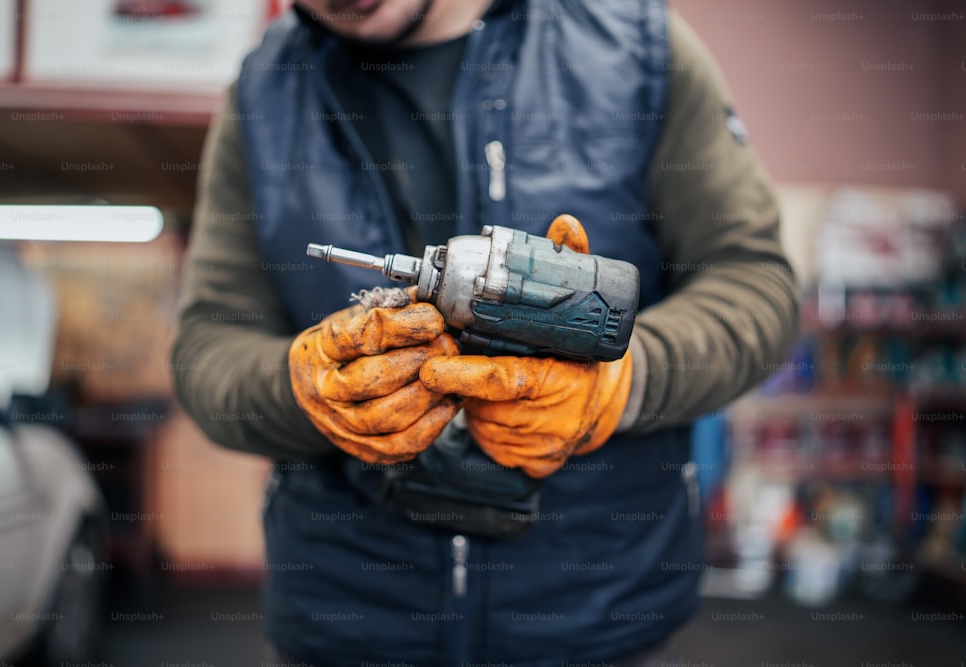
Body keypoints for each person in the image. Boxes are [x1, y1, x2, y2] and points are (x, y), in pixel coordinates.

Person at [171, 0, 799, 664]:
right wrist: (302, 389)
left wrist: (626, 381)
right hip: (347, 621)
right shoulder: (263, 93)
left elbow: (758, 286)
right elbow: (208, 346)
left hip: (595, 618)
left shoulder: (636, 47)